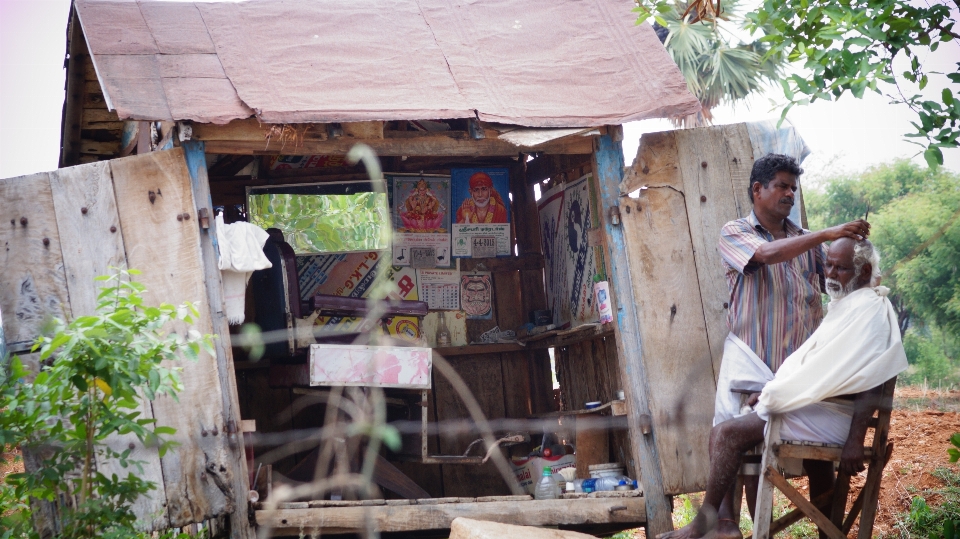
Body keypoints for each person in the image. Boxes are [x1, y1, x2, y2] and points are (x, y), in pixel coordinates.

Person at [658, 238, 909, 539]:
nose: (829, 274)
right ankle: (824, 534)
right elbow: (818, 369)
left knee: (724, 433)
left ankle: (704, 524)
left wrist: (856, 439)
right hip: (827, 412)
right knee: (758, 425)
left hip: (839, 419)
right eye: (827, 264)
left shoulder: (869, 310)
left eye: (839, 268)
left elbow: (873, 379)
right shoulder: (851, 306)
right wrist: (772, 388)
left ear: (864, 270)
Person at [712, 154, 871, 528]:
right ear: (758, 189)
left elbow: (839, 280)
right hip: (750, 355)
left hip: (798, 366)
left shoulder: (808, 242)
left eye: (793, 188)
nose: (789, 194)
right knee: (743, 448)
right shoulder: (736, 232)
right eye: (782, 186)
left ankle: (825, 532)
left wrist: (857, 257)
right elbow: (766, 255)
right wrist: (829, 233)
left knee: (818, 462)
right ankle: (744, 528)